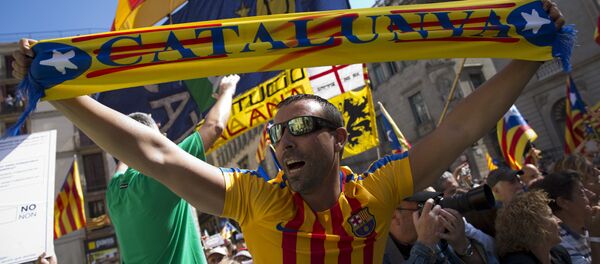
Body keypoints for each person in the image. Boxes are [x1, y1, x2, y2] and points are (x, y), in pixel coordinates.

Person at [11, 2, 565, 262]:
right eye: (278, 135)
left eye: (300, 126)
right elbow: (156, 152)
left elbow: (463, 124)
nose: (285, 141)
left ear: (338, 138)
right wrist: (59, 90)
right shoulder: (254, 200)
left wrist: (531, 56)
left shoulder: (375, 191)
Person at [106, 75, 240, 263]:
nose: (165, 139)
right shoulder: (161, 175)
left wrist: (145, 133)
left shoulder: (114, 193)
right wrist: (228, 90)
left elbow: (125, 156)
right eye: (162, 136)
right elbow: (214, 126)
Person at [384, 191, 488, 263]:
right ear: (395, 216)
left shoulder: (437, 239)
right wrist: (425, 245)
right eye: (422, 207)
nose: (432, 213)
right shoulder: (374, 255)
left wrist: (462, 246)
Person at [530, 171, 596, 264]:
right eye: (582, 193)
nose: (592, 194)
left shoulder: (588, 229)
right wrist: (596, 237)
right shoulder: (558, 242)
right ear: (563, 202)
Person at [495, 191, 571, 264]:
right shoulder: (518, 261)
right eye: (550, 215)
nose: (559, 221)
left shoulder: (560, 254)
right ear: (531, 225)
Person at [464, 167, 525, 237]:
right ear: (496, 190)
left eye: (519, 180)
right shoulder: (487, 220)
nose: (520, 185)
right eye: (512, 182)